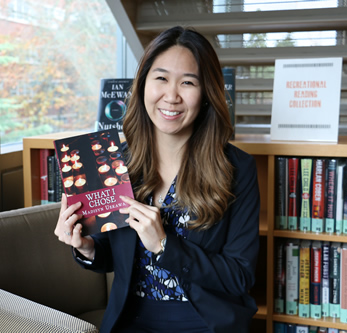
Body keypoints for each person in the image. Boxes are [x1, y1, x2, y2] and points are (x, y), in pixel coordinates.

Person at [54, 26, 260, 333]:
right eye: (161, 78)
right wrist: (86, 248)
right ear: (143, 85)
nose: (171, 96)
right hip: (130, 319)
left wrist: (165, 245)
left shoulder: (236, 168)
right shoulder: (114, 162)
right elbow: (116, 256)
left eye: (188, 82)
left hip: (204, 322)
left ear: (205, 94)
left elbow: (239, 276)